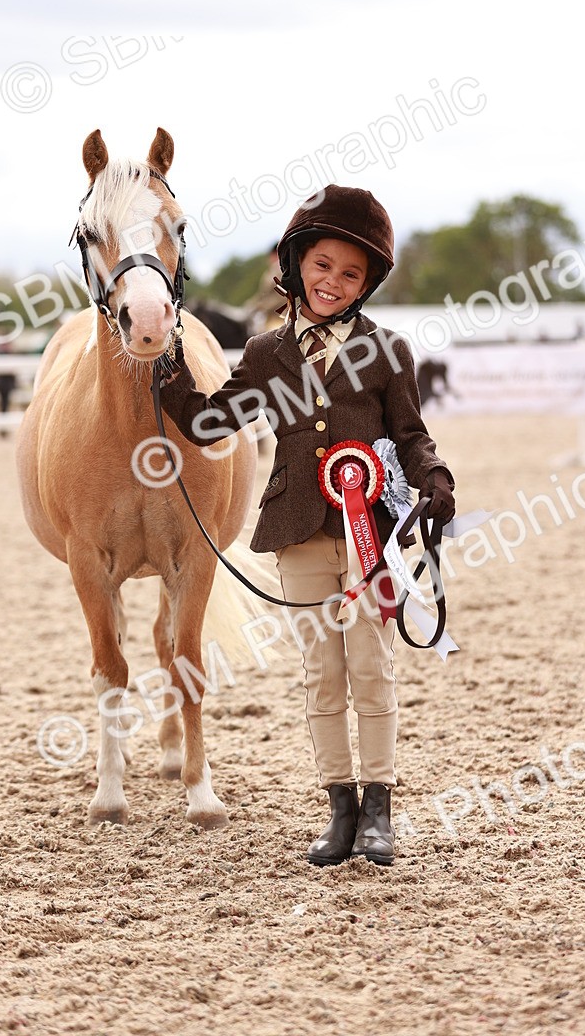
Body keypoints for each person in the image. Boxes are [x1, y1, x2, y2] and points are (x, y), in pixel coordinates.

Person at [158, 185, 455, 867]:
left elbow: (410, 434)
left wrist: (435, 477)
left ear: (366, 283)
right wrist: (167, 371)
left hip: (368, 533)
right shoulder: (266, 354)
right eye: (323, 266)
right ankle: (340, 808)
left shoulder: (387, 351)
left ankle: (380, 806)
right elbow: (211, 423)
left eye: (351, 273)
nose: (334, 282)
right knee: (321, 673)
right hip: (296, 529)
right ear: (297, 266)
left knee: (371, 666)